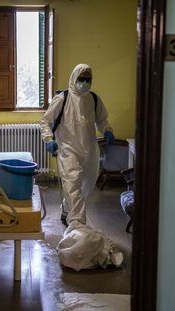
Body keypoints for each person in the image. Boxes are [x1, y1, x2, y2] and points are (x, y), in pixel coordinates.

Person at [40, 64, 114, 227]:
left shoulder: (94, 99)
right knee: (72, 183)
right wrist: (49, 139)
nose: (85, 83)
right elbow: (45, 121)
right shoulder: (62, 98)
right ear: (74, 78)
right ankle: (78, 224)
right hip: (68, 149)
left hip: (90, 150)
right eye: (82, 79)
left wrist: (107, 130)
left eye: (88, 79)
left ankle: (68, 209)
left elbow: (101, 120)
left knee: (86, 184)